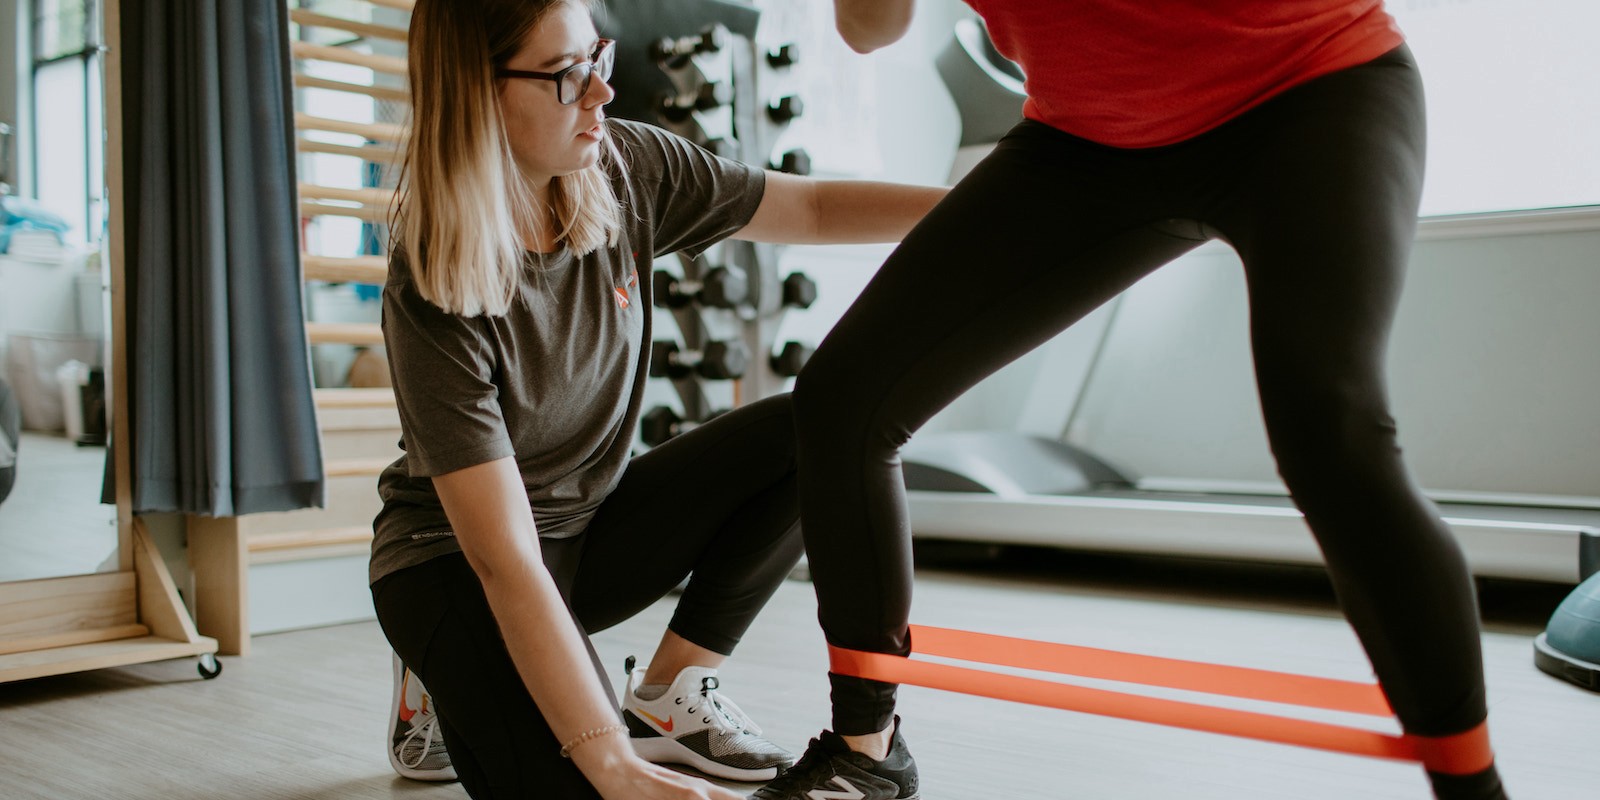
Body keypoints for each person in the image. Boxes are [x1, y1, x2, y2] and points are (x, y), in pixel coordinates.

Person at [757, 2, 1510, 800]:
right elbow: (869, 31)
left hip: (1307, 82)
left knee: (1333, 431)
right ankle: (863, 753)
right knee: (844, 398)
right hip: (1089, 139)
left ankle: (1474, 791)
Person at [368, 2, 946, 798]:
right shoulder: (433, 278)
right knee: (596, 785)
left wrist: (980, 215)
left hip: (589, 535)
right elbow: (504, 562)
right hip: (457, 562)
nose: (602, 93)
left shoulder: (624, 166)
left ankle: (672, 690)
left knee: (824, 425)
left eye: (597, 59)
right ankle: (439, 663)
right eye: (570, 74)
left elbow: (805, 207)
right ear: (478, 91)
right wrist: (607, 757)